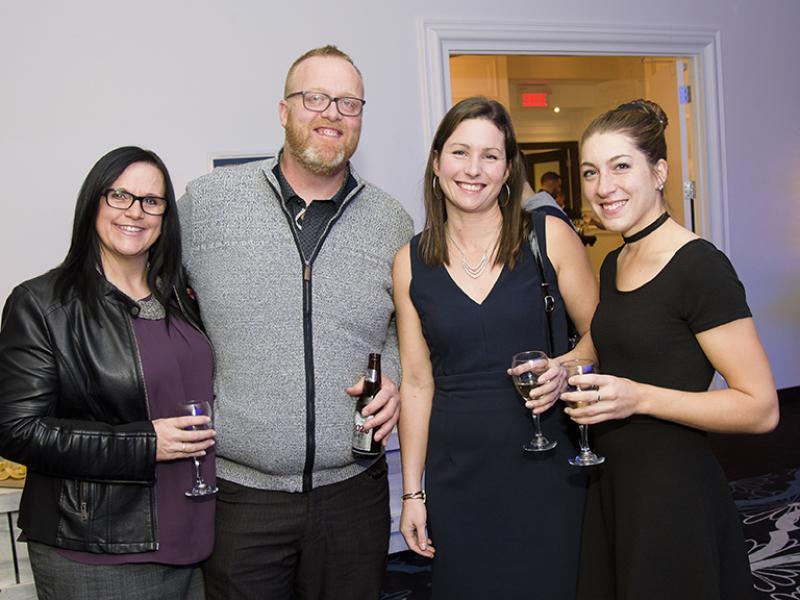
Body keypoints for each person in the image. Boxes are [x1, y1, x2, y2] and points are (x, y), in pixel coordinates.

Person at [177, 44, 413, 599]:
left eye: (348, 103)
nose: (332, 113)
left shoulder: (392, 221)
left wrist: (396, 375)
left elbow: (405, 327)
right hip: (241, 496)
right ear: (284, 111)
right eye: (315, 98)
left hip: (353, 493)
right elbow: (151, 303)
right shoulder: (208, 205)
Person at [564, 99, 778, 600]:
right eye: (591, 172)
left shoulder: (699, 267)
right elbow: (612, 340)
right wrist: (562, 366)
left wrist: (638, 397)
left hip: (671, 489)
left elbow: (761, 408)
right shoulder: (615, 260)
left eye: (621, 166)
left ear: (659, 172)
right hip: (613, 478)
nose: (603, 186)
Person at [394, 96, 599, 599]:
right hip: (458, 471)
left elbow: (605, 335)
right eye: (460, 152)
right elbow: (417, 383)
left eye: (490, 156)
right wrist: (413, 493)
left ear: (508, 170)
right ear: (437, 162)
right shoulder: (409, 262)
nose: (473, 169)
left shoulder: (548, 238)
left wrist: (565, 365)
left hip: (545, 460)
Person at [0, 146, 216, 599]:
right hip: (98, 549)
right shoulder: (42, 304)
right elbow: (16, 431)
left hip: (196, 537)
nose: (135, 212)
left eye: (151, 201)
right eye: (119, 195)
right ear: (93, 202)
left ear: (165, 216)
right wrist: (144, 443)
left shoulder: (183, 299)